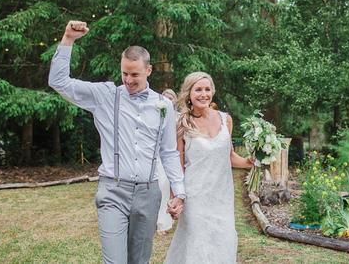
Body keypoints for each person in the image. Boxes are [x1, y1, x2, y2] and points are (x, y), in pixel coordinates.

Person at [48, 21, 186, 264]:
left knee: (138, 260)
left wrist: (179, 192)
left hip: (148, 192)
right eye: (124, 73)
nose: (128, 80)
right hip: (112, 190)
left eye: (135, 74)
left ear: (149, 70)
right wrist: (68, 39)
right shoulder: (105, 95)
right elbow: (59, 82)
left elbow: (169, 152)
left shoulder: (163, 106)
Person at [164, 72, 254, 264]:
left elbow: (229, 157)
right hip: (195, 196)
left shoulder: (225, 120)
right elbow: (177, 167)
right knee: (198, 246)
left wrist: (249, 162)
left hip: (222, 197)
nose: (203, 94)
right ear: (189, 94)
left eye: (207, 89)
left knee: (223, 242)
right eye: (198, 89)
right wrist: (176, 199)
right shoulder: (182, 123)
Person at [156, 89, 179, 234]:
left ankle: (162, 222)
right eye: (165, 97)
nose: (168, 99)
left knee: (164, 185)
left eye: (171, 97)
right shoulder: (155, 115)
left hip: (170, 156)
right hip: (154, 155)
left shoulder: (178, 117)